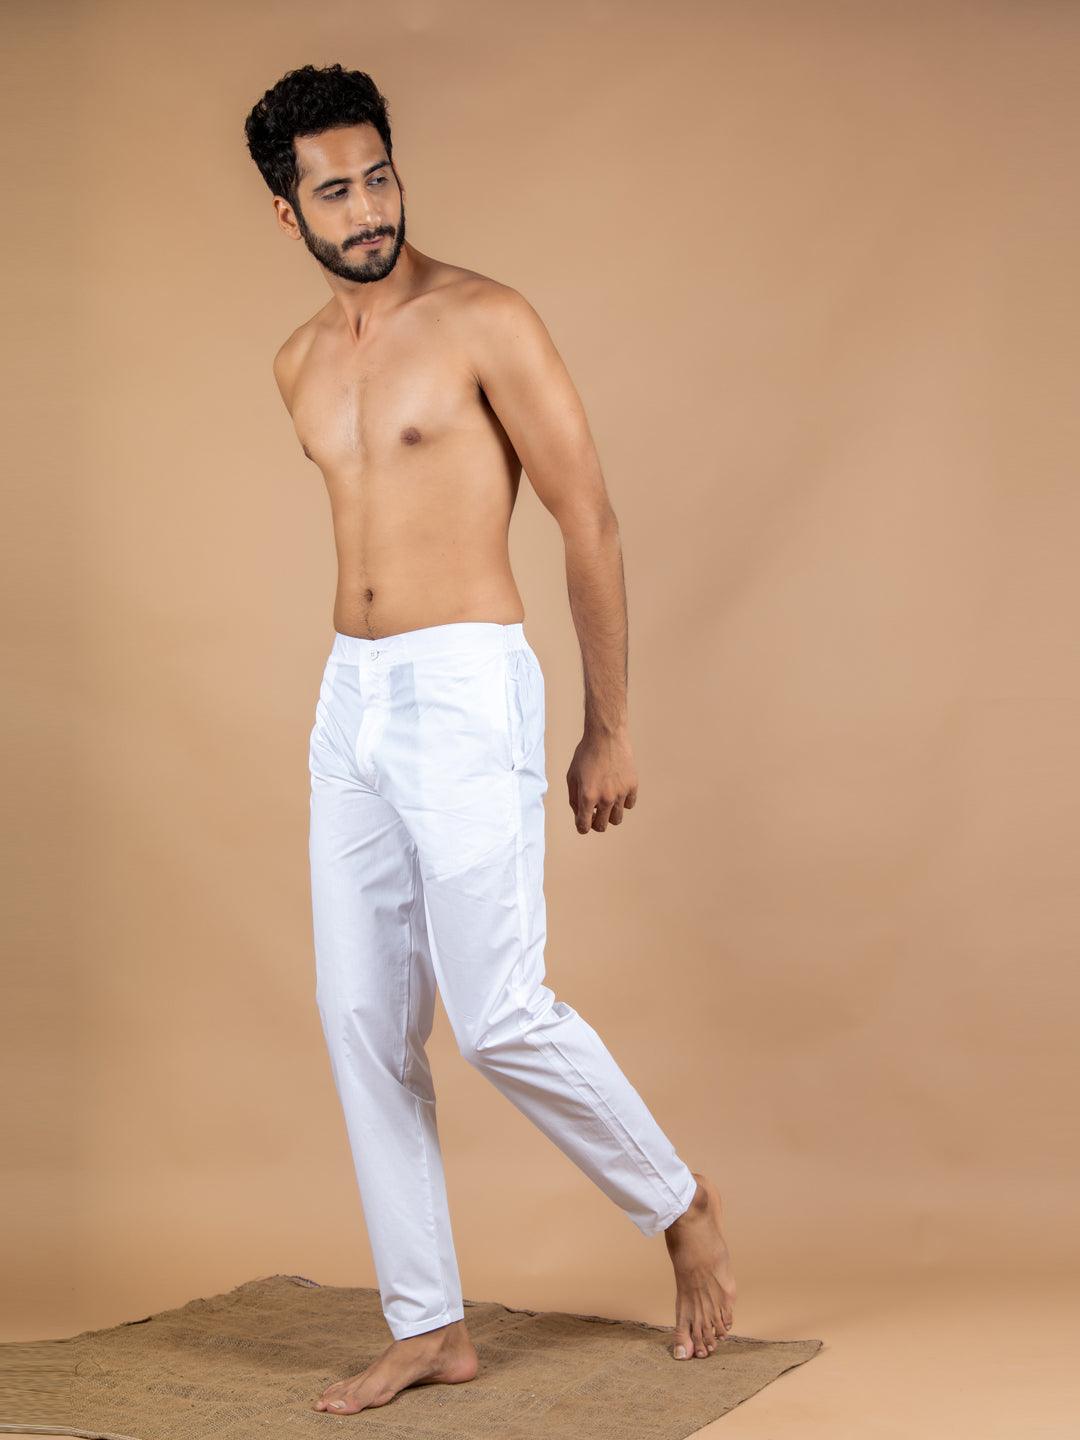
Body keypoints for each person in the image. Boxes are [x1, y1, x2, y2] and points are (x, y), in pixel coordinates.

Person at [244, 62, 736, 1415]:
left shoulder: (484, 320)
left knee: (501, 1012)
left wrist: (607, 726)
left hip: (464, 684)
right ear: (287, 212)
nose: (368, 209)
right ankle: (430, 1325)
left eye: (380, 176)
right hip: (350, 697)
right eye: (334, 192)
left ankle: (678, 1203)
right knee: (361, 1019)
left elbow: (589, 519)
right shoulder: (295, 363)